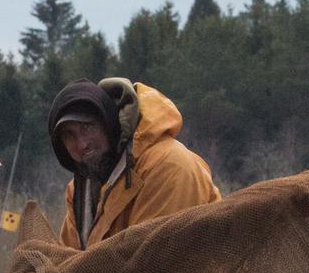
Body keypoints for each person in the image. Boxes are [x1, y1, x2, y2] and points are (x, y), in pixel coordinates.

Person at [48, 77, 220, 249]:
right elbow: (67, 260)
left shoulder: (169, 166)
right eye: (69, 135)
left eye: (87, 127)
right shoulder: (80, 191)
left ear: (109, 123)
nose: (82, 144)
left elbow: (153, 263)